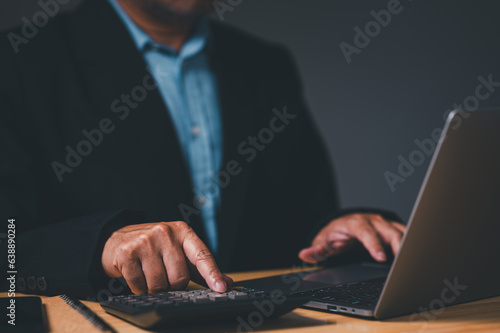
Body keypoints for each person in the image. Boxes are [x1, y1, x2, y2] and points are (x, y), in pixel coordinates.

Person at [0, 0, 405, 297]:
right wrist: (99, 246)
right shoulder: (18, 61)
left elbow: (299, 218)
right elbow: (10, 244)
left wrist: (332, 231)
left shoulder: (267, 66)